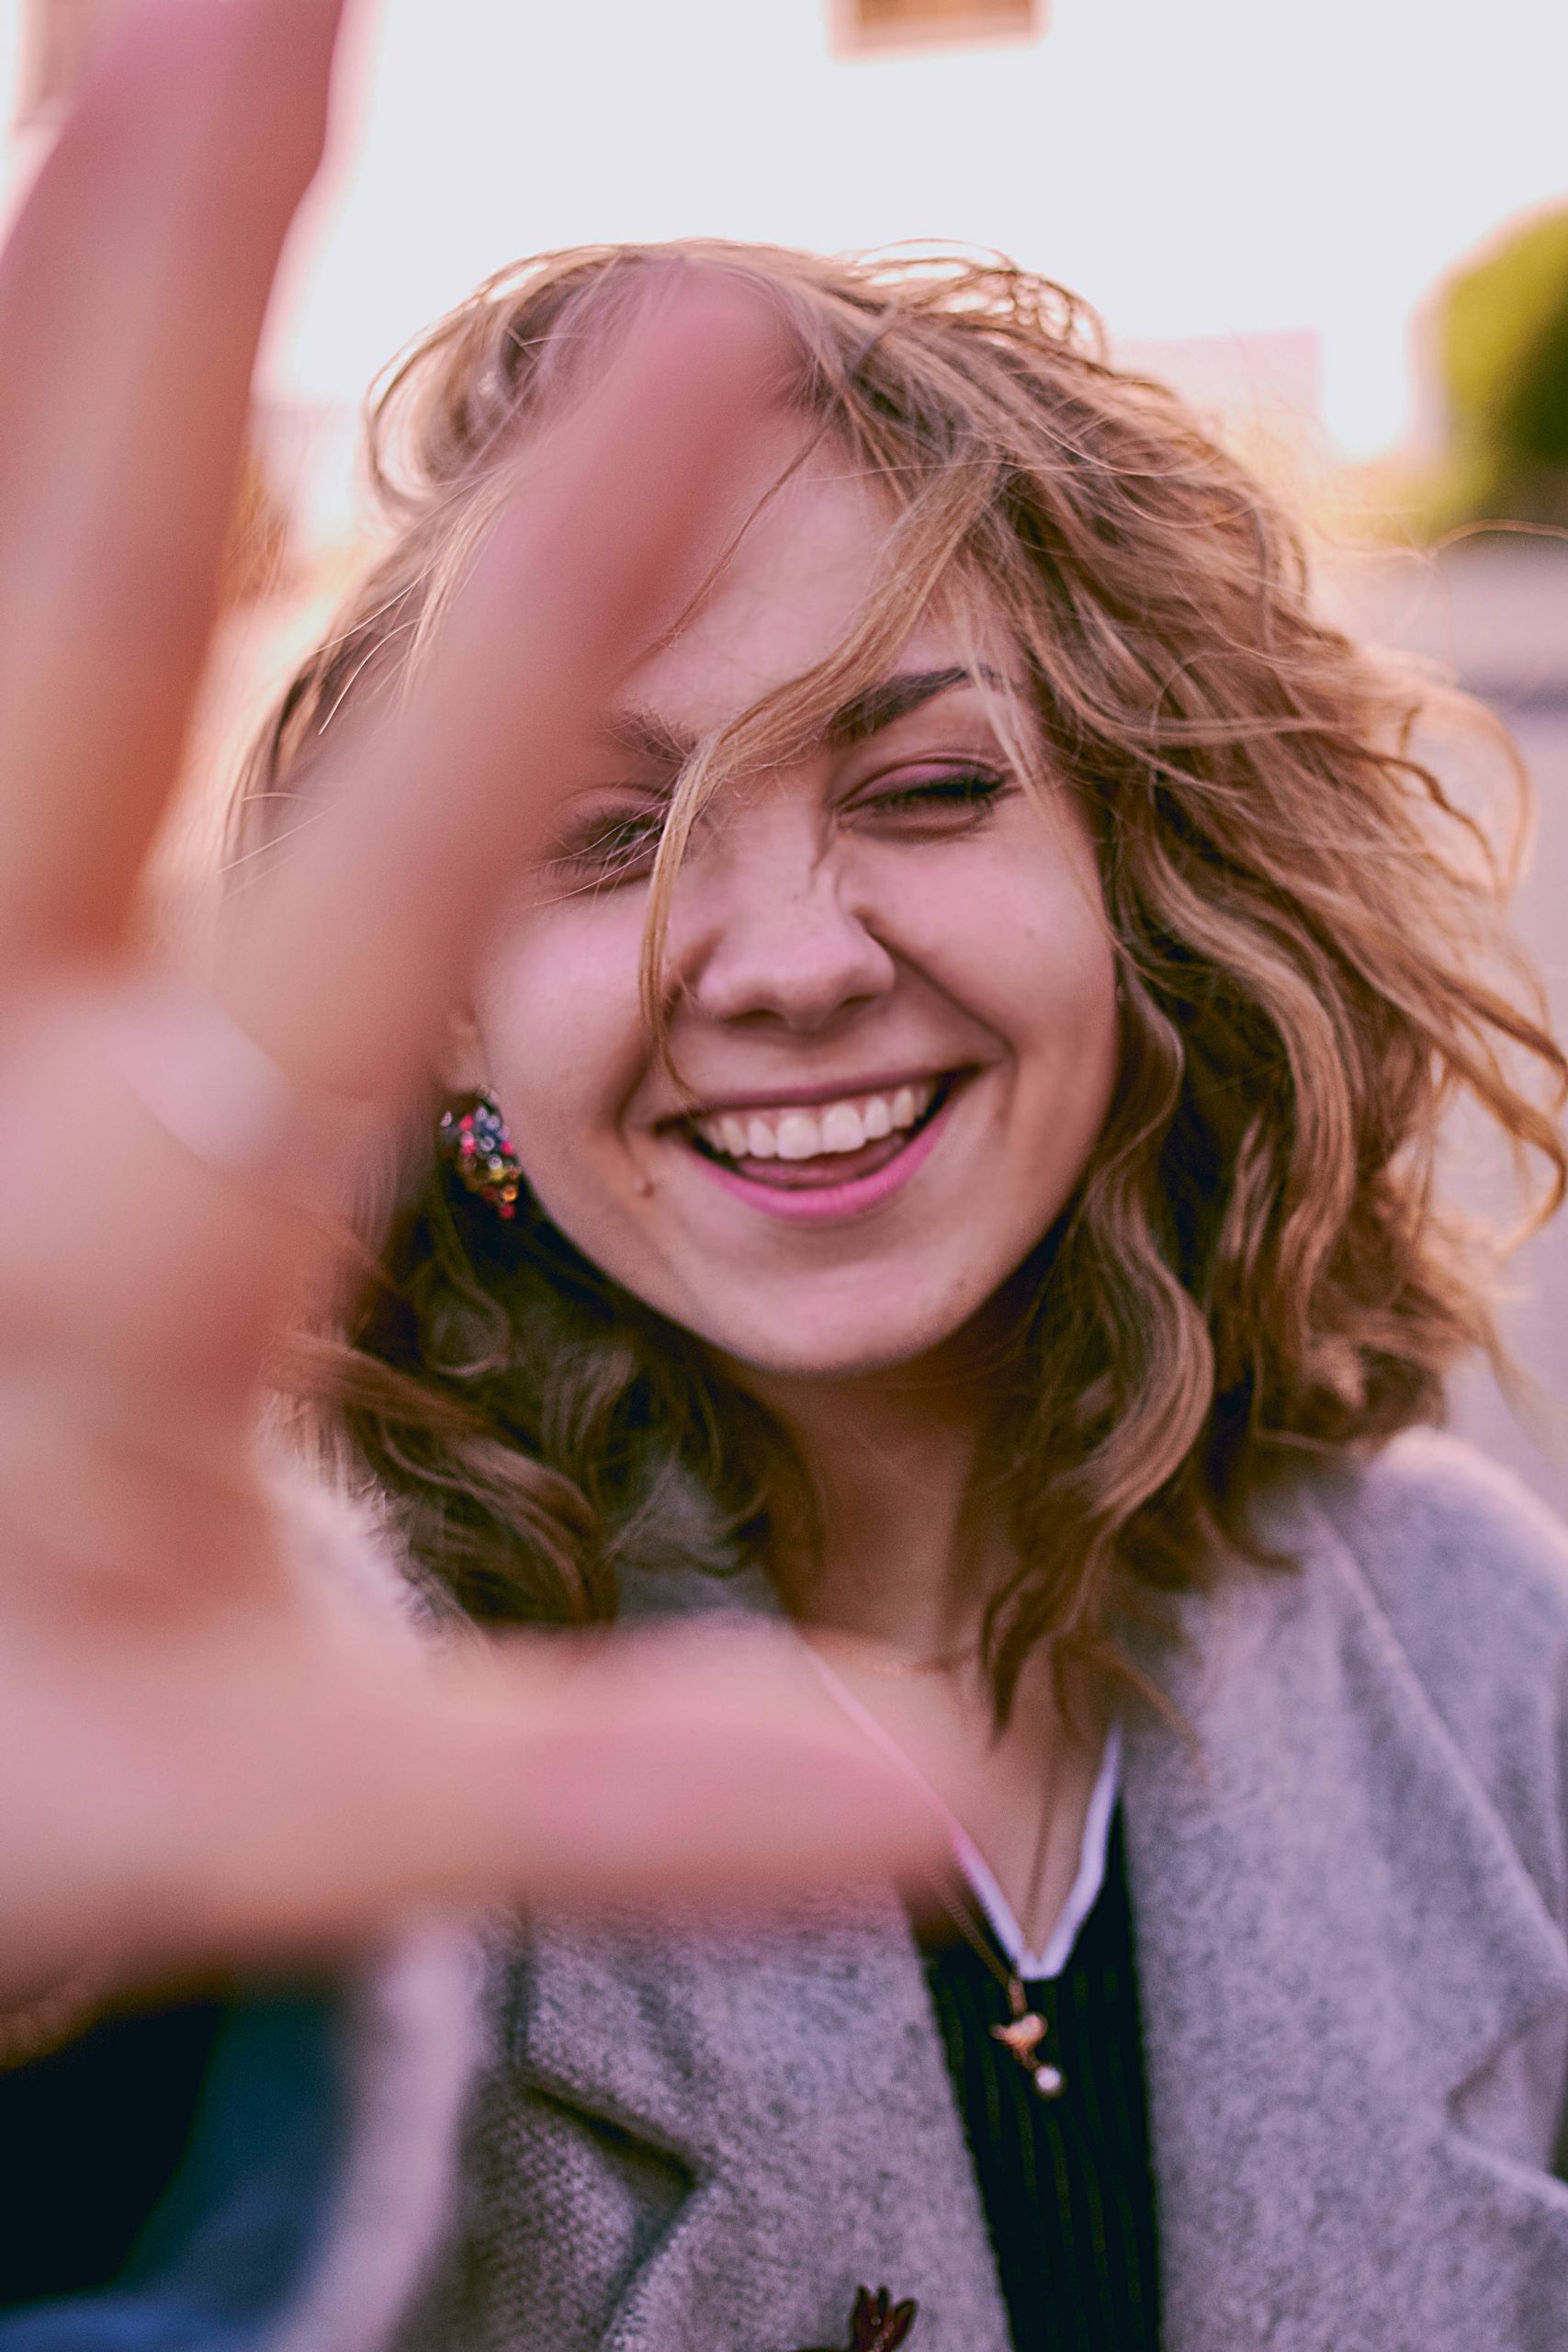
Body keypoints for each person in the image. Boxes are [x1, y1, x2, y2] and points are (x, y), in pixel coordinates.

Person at [4, 11, 1568, 2352]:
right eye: (605, 837)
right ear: (442, 1011)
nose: (785, 962)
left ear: (1144, 871)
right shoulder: (272, 1711)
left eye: (926, 787)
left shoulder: (1471, 1640)